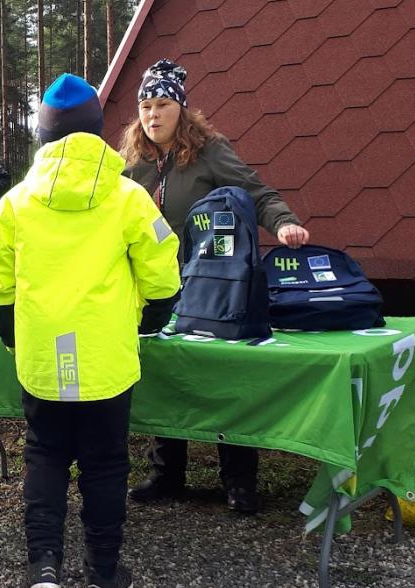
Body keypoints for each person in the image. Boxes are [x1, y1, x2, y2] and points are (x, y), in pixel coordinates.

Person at [0, 73, 180, 588]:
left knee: (44, 455)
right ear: (96, 129)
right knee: (105, 462)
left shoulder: (17, 202)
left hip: (44, 356)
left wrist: (12, 337)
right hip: (104, 356)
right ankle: (103, 574)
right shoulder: (130, 197)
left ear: (44, 134)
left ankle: (42, 568)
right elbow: (163, 266)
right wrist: (154, 317)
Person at [120, 59, 311, 513]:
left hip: (212, 283)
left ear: (181, 110)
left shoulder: (208, 150)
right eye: (145, 106)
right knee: (167, 374)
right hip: (157, 287)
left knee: (222, 376)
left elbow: (255, 191)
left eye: (162, 104)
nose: (152, 114)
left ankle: (239, 480)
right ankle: (167, 474)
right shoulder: (134, 161)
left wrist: (284, 223)